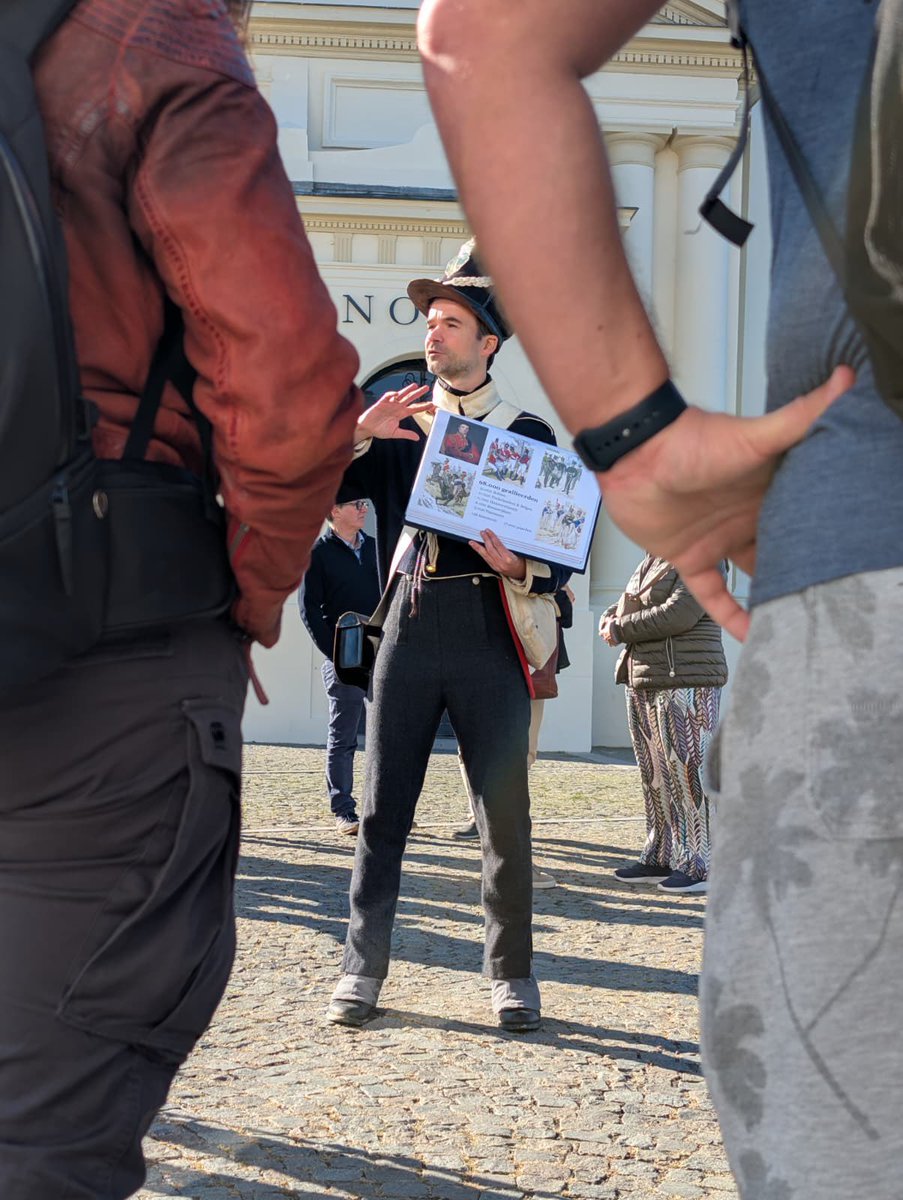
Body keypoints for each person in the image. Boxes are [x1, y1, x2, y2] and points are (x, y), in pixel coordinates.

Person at [418, 2, 903, 1196]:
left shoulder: (524, 431)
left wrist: (637, 438)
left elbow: (481, 32)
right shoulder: (424, 431)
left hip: (870, 541)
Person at [0, 4, 361, 1198]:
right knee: (39, 1132)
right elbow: (292, 384)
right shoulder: (151, 33)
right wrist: (250, 592)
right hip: (99, 642)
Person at [326, 243, 568, 1034]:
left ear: (487, 342)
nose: (432, 334)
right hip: (409, 621)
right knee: (381, 808)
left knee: (505, 816)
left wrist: (522, 564)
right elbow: (323, 494)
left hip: (489, 632)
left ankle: (512, 977)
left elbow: (561, 551)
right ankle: (361, 970)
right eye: (428, 322)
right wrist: (357, 438)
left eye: (450, 322)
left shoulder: (525, 429)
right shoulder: (399, 418)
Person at [600, 556, 726, 894]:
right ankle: (661, 854)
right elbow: (633, 601)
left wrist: (620, 628)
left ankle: (702, 864)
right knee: (654, 774)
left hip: (686, 678)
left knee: (689, 773)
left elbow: (680, 613)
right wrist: (610, 615)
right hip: (644, 676)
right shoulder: (654, 558)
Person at [300, 499, 380, 835]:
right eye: (355, 504)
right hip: (344, 658)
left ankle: (385, 810)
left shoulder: (378, 548)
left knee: (388, 738)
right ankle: (344, 811)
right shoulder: (316, 555)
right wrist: (335, 654)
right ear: (333, 510)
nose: (364, 509)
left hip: (382, 653)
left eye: (364, 503)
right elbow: (309, 612)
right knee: (343, 736)